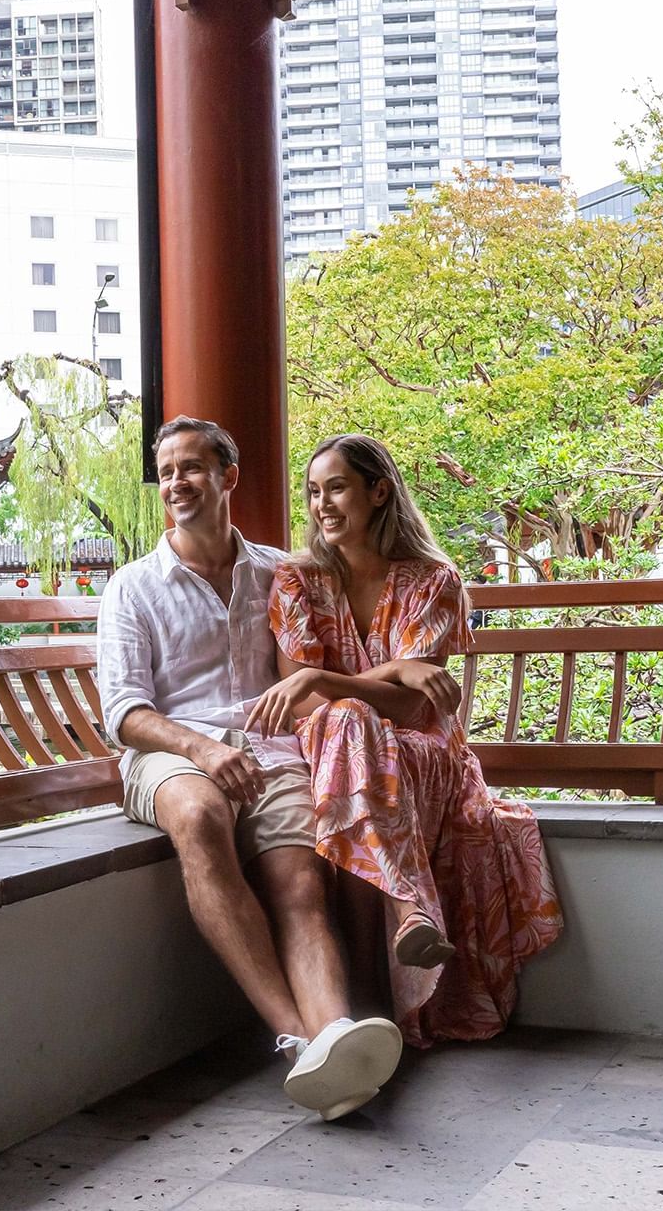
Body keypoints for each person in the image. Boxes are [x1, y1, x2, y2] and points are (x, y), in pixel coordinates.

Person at [97, 416, 403, 1121]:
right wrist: (203, 750)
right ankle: (300, 1040)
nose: (177, 482)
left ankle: (336, 1043)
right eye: (168, 470)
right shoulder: (133, 587)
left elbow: (337, 664)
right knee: (200, 814)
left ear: (228, 477)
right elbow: (123, 712)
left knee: (301, 882)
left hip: (271, 755)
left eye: (193, 467)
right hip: (170, 754)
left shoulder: (281, 573)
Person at [245, 433, 564, 1046]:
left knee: (354, 728)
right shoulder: (297, 581)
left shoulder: (432, 580)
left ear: (379, 491)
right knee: (347, 725)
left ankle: (374, 991)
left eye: (336, 487)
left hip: (422, 756)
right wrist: (387, 670)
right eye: (313, 492)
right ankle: (407, 909)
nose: (321, 505)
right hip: (333, 748)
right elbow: (304, 698)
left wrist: (339, 680)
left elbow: (417, 710)